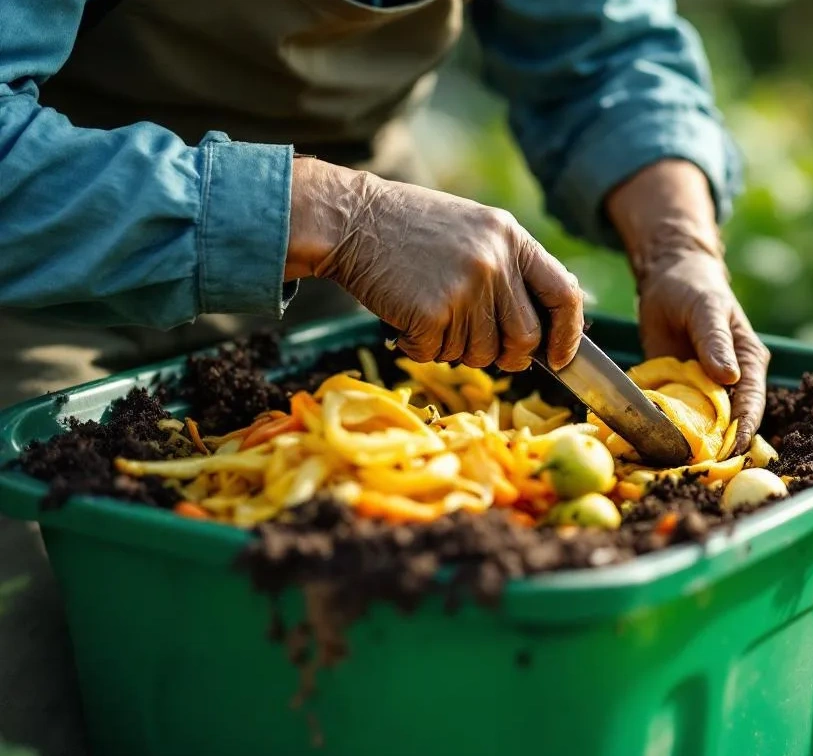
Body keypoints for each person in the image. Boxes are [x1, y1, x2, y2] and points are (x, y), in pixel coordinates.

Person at [0, 2, 769, 754]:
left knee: (410, 662)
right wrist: (343, 217)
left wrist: (678, 248)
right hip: (55, 244)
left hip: (375, 254)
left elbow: (605, 44)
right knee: (45, 653)